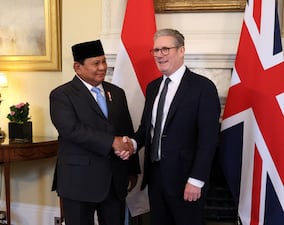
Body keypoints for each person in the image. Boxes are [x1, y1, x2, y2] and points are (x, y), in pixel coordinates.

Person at [132, 29, 221, 225]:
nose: (159, 54)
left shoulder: (203, 88)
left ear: (181, 51)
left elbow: (209, 140)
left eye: (165, 49)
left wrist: (196, 180)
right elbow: (146, 129)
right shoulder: (153, 87)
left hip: (187, 181)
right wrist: (130, 143)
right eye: (155, 50)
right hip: (156, 179)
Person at [49, 40, 140, 225]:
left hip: (114, 181)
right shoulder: (62, 95)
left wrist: (131, 168)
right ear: (78, 67)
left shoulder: (117, 93)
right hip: (79, 182)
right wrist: (112, 142)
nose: (102, 68)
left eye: (104, 61)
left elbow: (126, 130)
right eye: (96, 63)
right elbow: (71, 130)